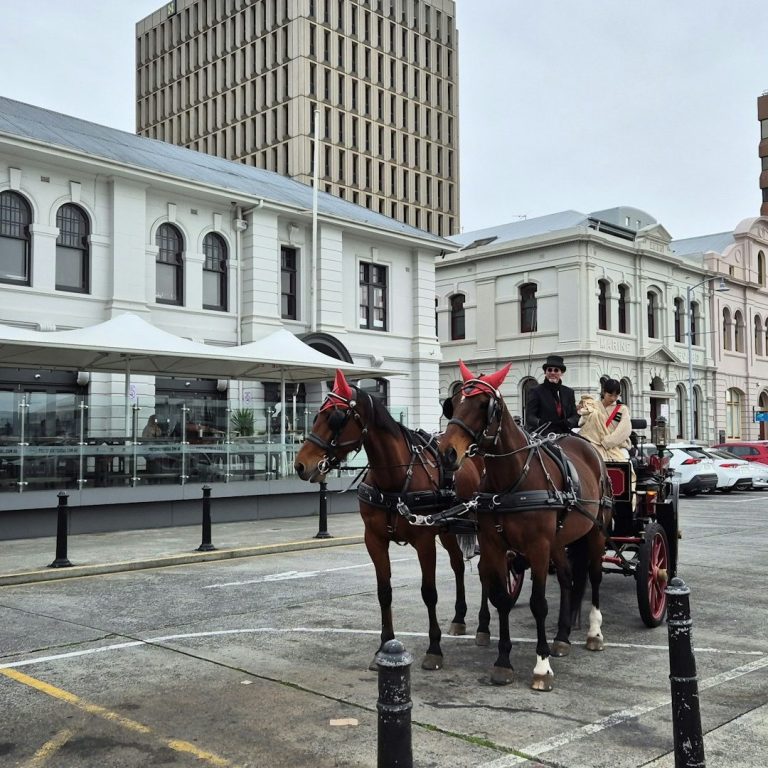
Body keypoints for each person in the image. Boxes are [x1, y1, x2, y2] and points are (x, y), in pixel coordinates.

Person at [577, 379, 632, 461]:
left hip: (617, 447)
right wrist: (584, 410)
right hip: (595, 444)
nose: (613, 398)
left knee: (625, 462)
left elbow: (624, 430)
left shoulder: (623, 409)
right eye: (610, 395)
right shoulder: (593, 406)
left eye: (616, 396)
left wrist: (606, 443)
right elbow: (582, 423)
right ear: (604, 392)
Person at [525, 354, 579, 434]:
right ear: (545, 372)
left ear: (561, 373)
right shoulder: (535, 391)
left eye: (556, 370)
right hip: (543, 433)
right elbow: (530, 417)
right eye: (549, 370)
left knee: (585, 441)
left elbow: (575, 416)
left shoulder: (569, 392)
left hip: (564, 432)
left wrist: (568, 422)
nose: (552, 373)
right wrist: (542, 423)